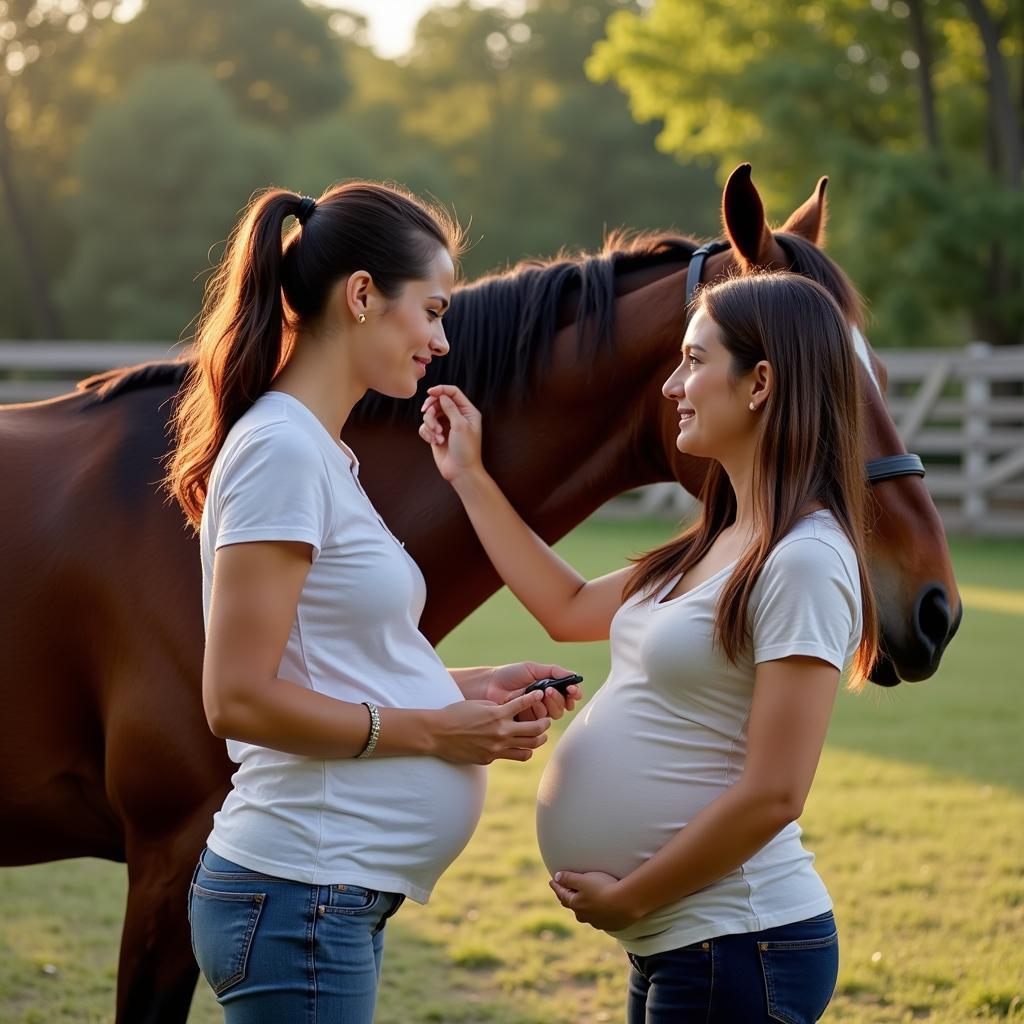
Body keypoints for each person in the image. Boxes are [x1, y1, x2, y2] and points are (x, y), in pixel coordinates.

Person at [165, 181, 582, 1023]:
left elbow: (322, 658)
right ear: (361, 296)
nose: (440, 339)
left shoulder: (319, 453)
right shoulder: (282, 451)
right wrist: (436, 728)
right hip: (300, 890)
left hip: (326, 895)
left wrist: (468, 688)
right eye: (430, 311)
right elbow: (236, 697)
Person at [419, 271, 877, 1023]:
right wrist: (468, 475)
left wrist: (630, 895)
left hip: (740, 941)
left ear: (760, 382)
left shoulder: (803, 559)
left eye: (695, 361)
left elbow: (775, 792)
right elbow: (565, 608)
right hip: (687, 942)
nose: (672, 386)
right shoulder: (720, 539)